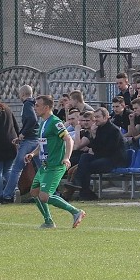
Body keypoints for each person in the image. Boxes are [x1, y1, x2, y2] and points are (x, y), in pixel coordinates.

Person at [24, 95, 85, 229]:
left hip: (55, 165)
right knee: (34, 192)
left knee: (44, 196)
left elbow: (68, 140)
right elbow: (42, 143)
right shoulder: (43, 123)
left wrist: (66, 158)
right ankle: (48, 221)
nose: (35, 108)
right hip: (45, 166)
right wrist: (33, 153)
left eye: (38, 105)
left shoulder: (55, 122)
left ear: (46, 107)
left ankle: (76, 212)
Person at [67, 107, 127, 201]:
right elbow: (96, 149)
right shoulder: (98, 129)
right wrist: (93, 135)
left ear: (106, 117)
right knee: (85, 157)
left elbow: (108, 150)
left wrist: (94, 137)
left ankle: (83, 190)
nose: (95, 119)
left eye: (98, 117)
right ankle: (82, 189)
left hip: (114, 160)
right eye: (94, 117)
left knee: (87, 166)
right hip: (103, 157)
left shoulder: (113, 130)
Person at [2, 84, 40, 203]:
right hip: (37, 140)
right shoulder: (35, 104)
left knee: (16, 168)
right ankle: (51, 193)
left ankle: (7, 195)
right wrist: (19, 137)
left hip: (29, 140)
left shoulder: (27, 104)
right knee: (42, 168)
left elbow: (32, 120)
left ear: (22, 94)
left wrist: (23, 134)